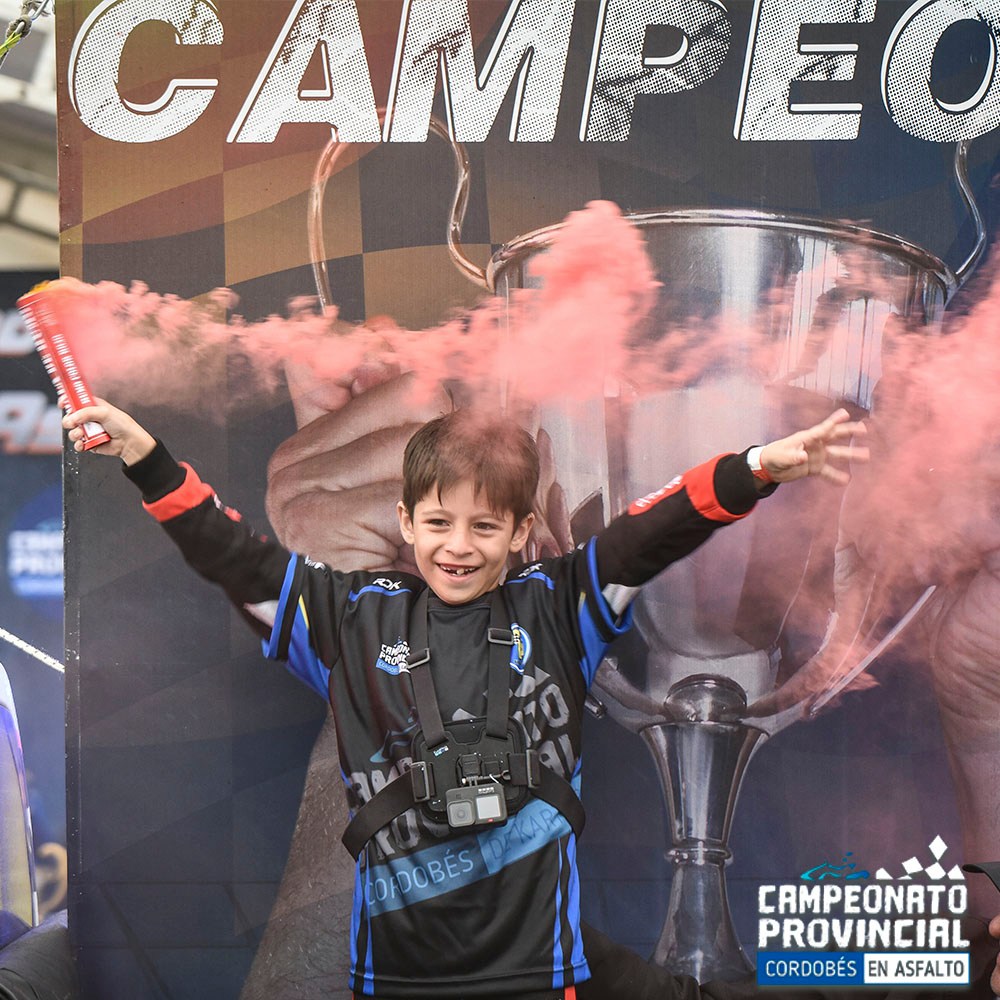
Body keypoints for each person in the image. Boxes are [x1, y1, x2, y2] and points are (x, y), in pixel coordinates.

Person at [65, 395, 870, 999]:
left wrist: (756, 467)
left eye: (484, 528)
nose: (458, 547)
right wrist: (146, 457)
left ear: (520, 533)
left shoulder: (560, 607)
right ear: (405, 521)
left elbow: (655, 526)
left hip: (538, 976)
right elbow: (230, 552)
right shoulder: (348, 618)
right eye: (439, 522)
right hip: (397, 981)